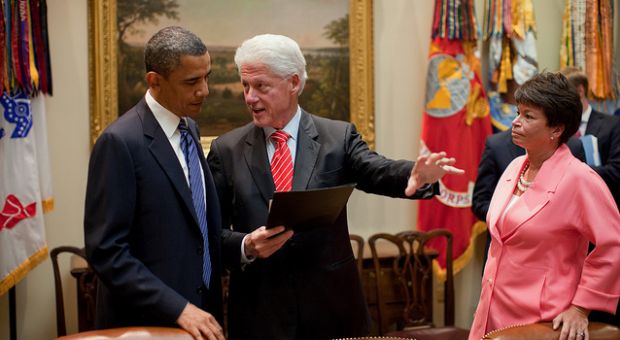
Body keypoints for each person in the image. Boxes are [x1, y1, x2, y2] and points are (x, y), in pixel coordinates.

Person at [207, 34, 463, 340]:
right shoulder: (227, 149)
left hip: (331, 310)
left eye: (261, 86)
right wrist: (246, 245)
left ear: (293, 82)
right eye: (245, 86)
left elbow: (375, 169)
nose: (249, 97)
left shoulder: (336, 137)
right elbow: (212, 234)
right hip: (260, 314)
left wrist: (413, 175)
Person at [84, 27, 224, 340]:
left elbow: (195, 231)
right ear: (154, 81)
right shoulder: (119, 142)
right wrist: (179, 308)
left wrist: (245, 245)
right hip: (145, 324)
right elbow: (107, 252)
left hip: (202, 321)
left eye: (207, 77)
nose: (205, 90)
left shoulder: (189, 127)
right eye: (191, 82)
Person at [469, 72, 620, 340]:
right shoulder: (515, 167)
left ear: (556, 129)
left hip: (542, 319)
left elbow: (613, 244)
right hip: (491, 309)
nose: (515, 122)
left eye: (528, 116)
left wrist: (581, 307)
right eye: (518, 112)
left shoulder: (580, 178)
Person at [560, 66, 620, 209]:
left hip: (605, 205)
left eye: (563, 94)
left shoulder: (613, 125)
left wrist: (575, 171)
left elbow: (617, 171)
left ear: (580, 91)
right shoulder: (557, 128)